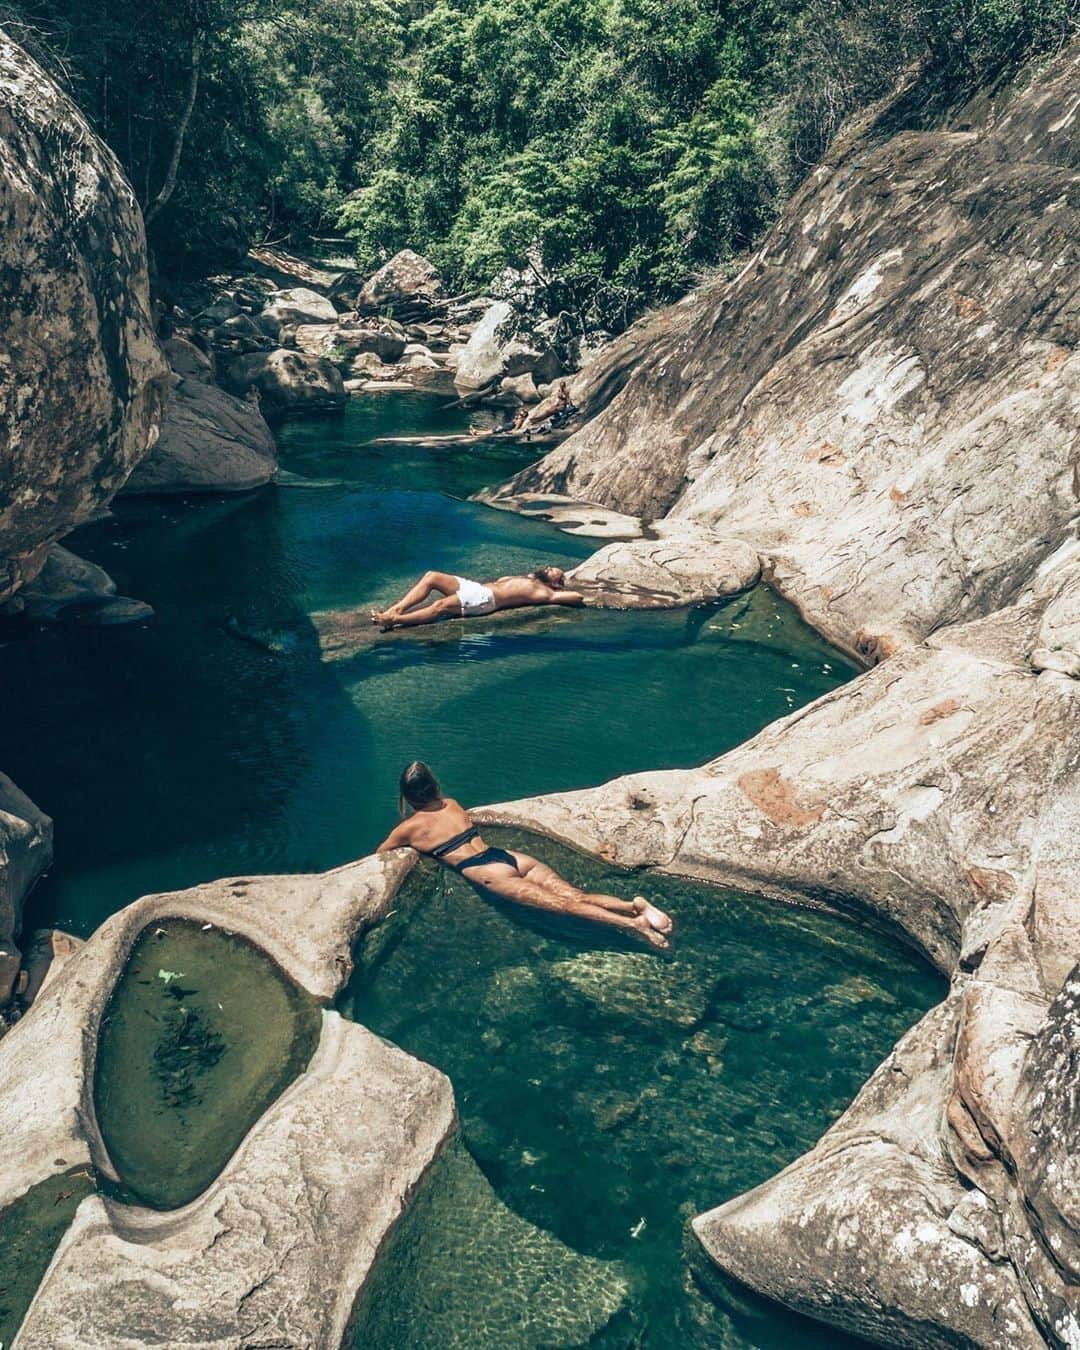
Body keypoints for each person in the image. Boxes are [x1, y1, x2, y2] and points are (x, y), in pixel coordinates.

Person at [377, 762, 673, 949]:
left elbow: (380, 856)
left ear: (408, 797)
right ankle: (632, 905)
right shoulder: (451, 804)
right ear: (435, 786)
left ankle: (635, 924)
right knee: (576, 895)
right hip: (509, 856)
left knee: (563, 906)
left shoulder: (409, 828)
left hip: (487, 872)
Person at [371, 566, 585, 630]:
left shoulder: (545, 592)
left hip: (485, 599)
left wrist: (558, 592)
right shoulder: (530, 579)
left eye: (554, 571)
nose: (550, 568)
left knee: (440, 606)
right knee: (431, 576)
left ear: (555, 583)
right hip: (476, 588)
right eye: (550, 567)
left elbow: (577, 596)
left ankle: (394, 621)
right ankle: (396, 609)